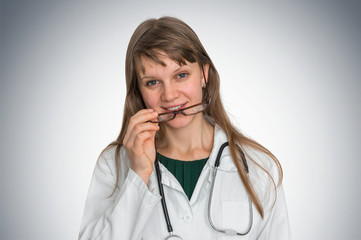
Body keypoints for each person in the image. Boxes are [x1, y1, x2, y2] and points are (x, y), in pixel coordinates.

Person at [79, 16, 291, 240]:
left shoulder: (259, 167)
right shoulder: (114, 165)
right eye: (152, 82)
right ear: (138, 91)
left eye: (181, 75)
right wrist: (138, 175)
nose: (169, 95)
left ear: (204, 75)